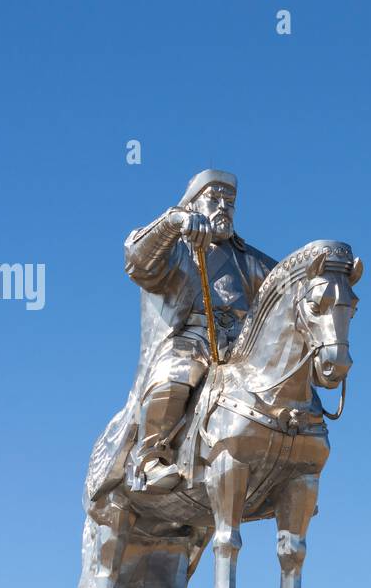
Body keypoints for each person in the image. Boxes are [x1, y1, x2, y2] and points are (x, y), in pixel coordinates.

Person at [88, 169, 277, 497]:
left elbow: (284, 284)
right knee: (175, 373)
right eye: (214, 199)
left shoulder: (250, 260)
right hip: (192, 339)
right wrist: (173, 223)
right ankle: (151, 455)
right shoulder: (177, 248)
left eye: (230, 202)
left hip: (241, 347)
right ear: (193, 203)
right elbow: (136, 260)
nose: (223, 207)